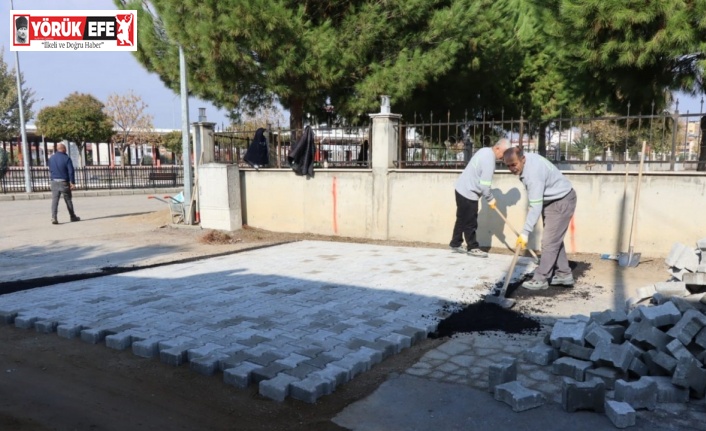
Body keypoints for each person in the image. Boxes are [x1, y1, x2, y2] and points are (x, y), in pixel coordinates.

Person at [503, 146, 577, 290]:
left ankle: (541, 278)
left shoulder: (533, 174)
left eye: (514, 164)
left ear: (522, 159)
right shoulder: (526, 162)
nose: (511, 168)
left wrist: (525, 233)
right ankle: (564, 274)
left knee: (549, 241)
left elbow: (535, 206)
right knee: (554, 239)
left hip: (561, 201)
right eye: (508, 166)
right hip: (552, 200)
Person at [449, 138, 509, 257]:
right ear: (497, 148)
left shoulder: (484, 150)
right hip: (469, 192)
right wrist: (490, 199)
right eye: (504, 152)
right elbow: (485, 187)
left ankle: (455, 243)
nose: (504, 156)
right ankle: (472, 247)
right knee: (470, 221)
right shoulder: (489, 160)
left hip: (460, 188)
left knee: (461, 218)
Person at [49, 143, 80, 224]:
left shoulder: (51, 158)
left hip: (54, 182)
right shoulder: (66, 158)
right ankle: (72, 216)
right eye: (65, 149)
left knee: (55, 200)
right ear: (62, 149)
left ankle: (54, 217)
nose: (66, 150)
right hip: (64, 182)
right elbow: (71, 171)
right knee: (68, 200)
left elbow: (51, 169)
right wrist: (72, 182)